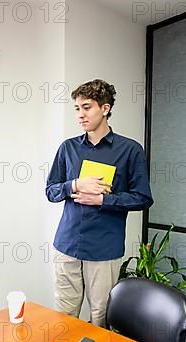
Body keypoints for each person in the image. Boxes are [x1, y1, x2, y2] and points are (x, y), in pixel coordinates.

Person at [46, 79, 153, 327]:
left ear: (105, 109)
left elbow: (143, 198)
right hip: (67, 245)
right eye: (77, 108)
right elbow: (51, 191)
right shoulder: (68, 148)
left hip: (104, 251)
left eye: (87, 107)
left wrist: (103, 199)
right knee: (64, 320)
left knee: (100, 320)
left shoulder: (130, 150)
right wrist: (74, 185)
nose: (80, 115)